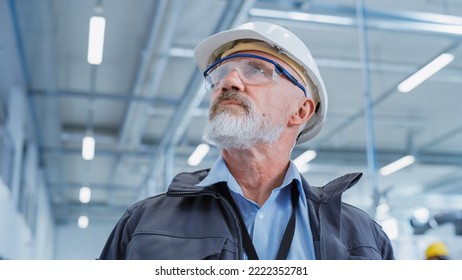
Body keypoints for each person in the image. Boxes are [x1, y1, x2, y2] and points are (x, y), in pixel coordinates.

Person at [99, 22, 395, 260]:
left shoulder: (362, 239)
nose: (228, 82)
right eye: (221, 73)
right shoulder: (144, 225)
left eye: (258, 69)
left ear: (300, 110)